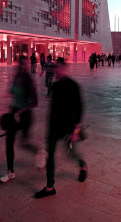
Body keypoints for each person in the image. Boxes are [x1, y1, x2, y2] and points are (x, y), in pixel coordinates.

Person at [34, 57, 87, 199]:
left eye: (57, 68)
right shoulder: (55, 86)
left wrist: (75, 131)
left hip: (68, 128)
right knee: (50, 156)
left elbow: (79, 109)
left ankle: (82, 165)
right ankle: (50, 187)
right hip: (54, 128)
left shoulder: (73, 86)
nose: (55, 70)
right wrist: (48, 129)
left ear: (63, 69)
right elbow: (53, 109)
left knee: (71, 153)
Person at [0, 56, 38, 183]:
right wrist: (9, 86)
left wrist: (21, 111)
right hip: (14, 113)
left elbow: (35, 102)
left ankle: (39, 152)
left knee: (24, 143)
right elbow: (11, 93)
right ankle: (10, 172)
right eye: (20, 64)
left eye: (24, 64)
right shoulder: (16, 78)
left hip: (25, 114)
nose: (22, 66)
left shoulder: (28, 80)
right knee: (9, 141)